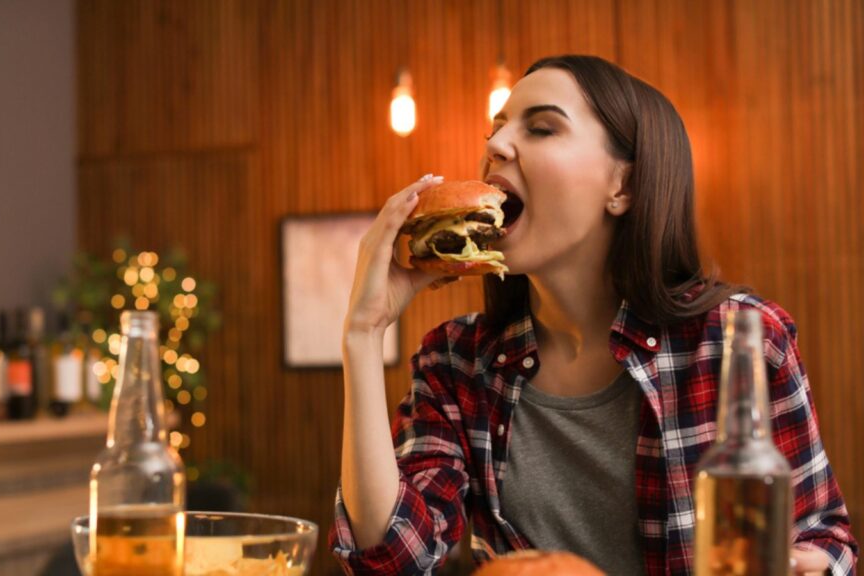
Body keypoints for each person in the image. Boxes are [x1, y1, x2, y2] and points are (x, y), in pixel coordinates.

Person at [330, 55, 858, 575]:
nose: (493, 146)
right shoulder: (458, 363)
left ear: (622, 187)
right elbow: (393, 561)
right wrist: (363, 332)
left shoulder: (740, 339)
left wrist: (811, 562)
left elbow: (821, 536)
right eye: (494, 131)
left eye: (541, 128)